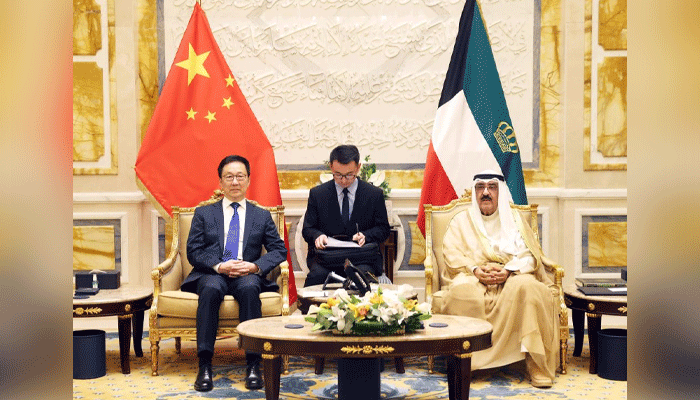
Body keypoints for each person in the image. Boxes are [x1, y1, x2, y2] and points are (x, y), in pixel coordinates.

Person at [439, 170, 557, 388]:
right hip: (473, 275)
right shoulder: (461, 221)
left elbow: (531, 255)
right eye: (480, 187)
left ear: (500, 192)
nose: (485, 192)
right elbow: (451, 253)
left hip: (511, 274)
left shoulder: (515, 220)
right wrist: (475, 270)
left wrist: (509, 271)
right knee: (461, 292)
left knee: (529, 288)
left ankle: (535, 362)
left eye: (492, 187)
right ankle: (467, 360)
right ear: (474, 191)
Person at [182, 155, 287, 392]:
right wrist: (220, 266)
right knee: (210, 289)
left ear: (248, 180)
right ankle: (205, 365)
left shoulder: (261, 215)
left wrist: (254, 266)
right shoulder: (203, 213)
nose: (235, 182)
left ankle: (253, 364)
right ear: (220, 182)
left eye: (240, 176)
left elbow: (279, 250)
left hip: (246, 272)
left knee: (250, 288)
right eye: (229, 177)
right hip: (213, 272)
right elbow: (193, 251)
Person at [302, 144, 391, 287]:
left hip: (362, 259)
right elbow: (308, 229)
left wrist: (366, 236)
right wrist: (318, 236)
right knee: (315, 279)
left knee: (363, 282)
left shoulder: (374, 194)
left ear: (358, 167)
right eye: (338, 174)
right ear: (331, 167)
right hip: (327, 260)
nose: (343, 180)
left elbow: (384, 229)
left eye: (349, 175)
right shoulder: (318, 194)